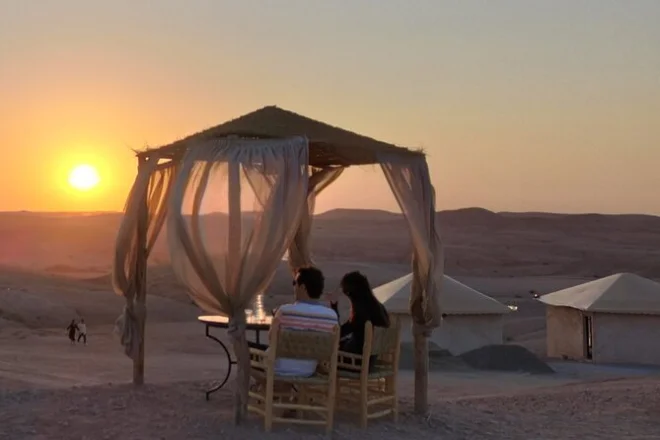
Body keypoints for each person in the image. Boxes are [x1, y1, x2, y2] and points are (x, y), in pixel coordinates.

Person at [249, 266, 338, 377]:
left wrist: (277, 318)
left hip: (276, 369)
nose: (294, 287)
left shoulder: (284, 311)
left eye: (294, 283)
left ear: (303, 287)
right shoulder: (331, 317)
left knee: (247, 349)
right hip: (308, 371)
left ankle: (273, 386)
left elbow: (272, 340)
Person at [327, 271, 390, 356]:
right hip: (372, 358)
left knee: (327, 349)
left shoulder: (360, 312)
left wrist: (334, 309)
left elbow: (340, 333)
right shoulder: (379, 307)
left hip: (357, 359)